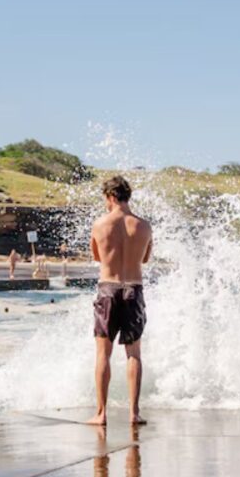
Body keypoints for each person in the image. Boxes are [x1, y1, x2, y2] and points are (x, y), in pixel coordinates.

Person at [86, 176, 152, 426]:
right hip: (133, 290)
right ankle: (134, 413)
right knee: (133, 354)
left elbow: (98, 257)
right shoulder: (144, 226)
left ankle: (101, 414)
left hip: (108, 290)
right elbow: (145, 259)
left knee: (103, 354)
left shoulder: (100, 224)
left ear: (111, 196)